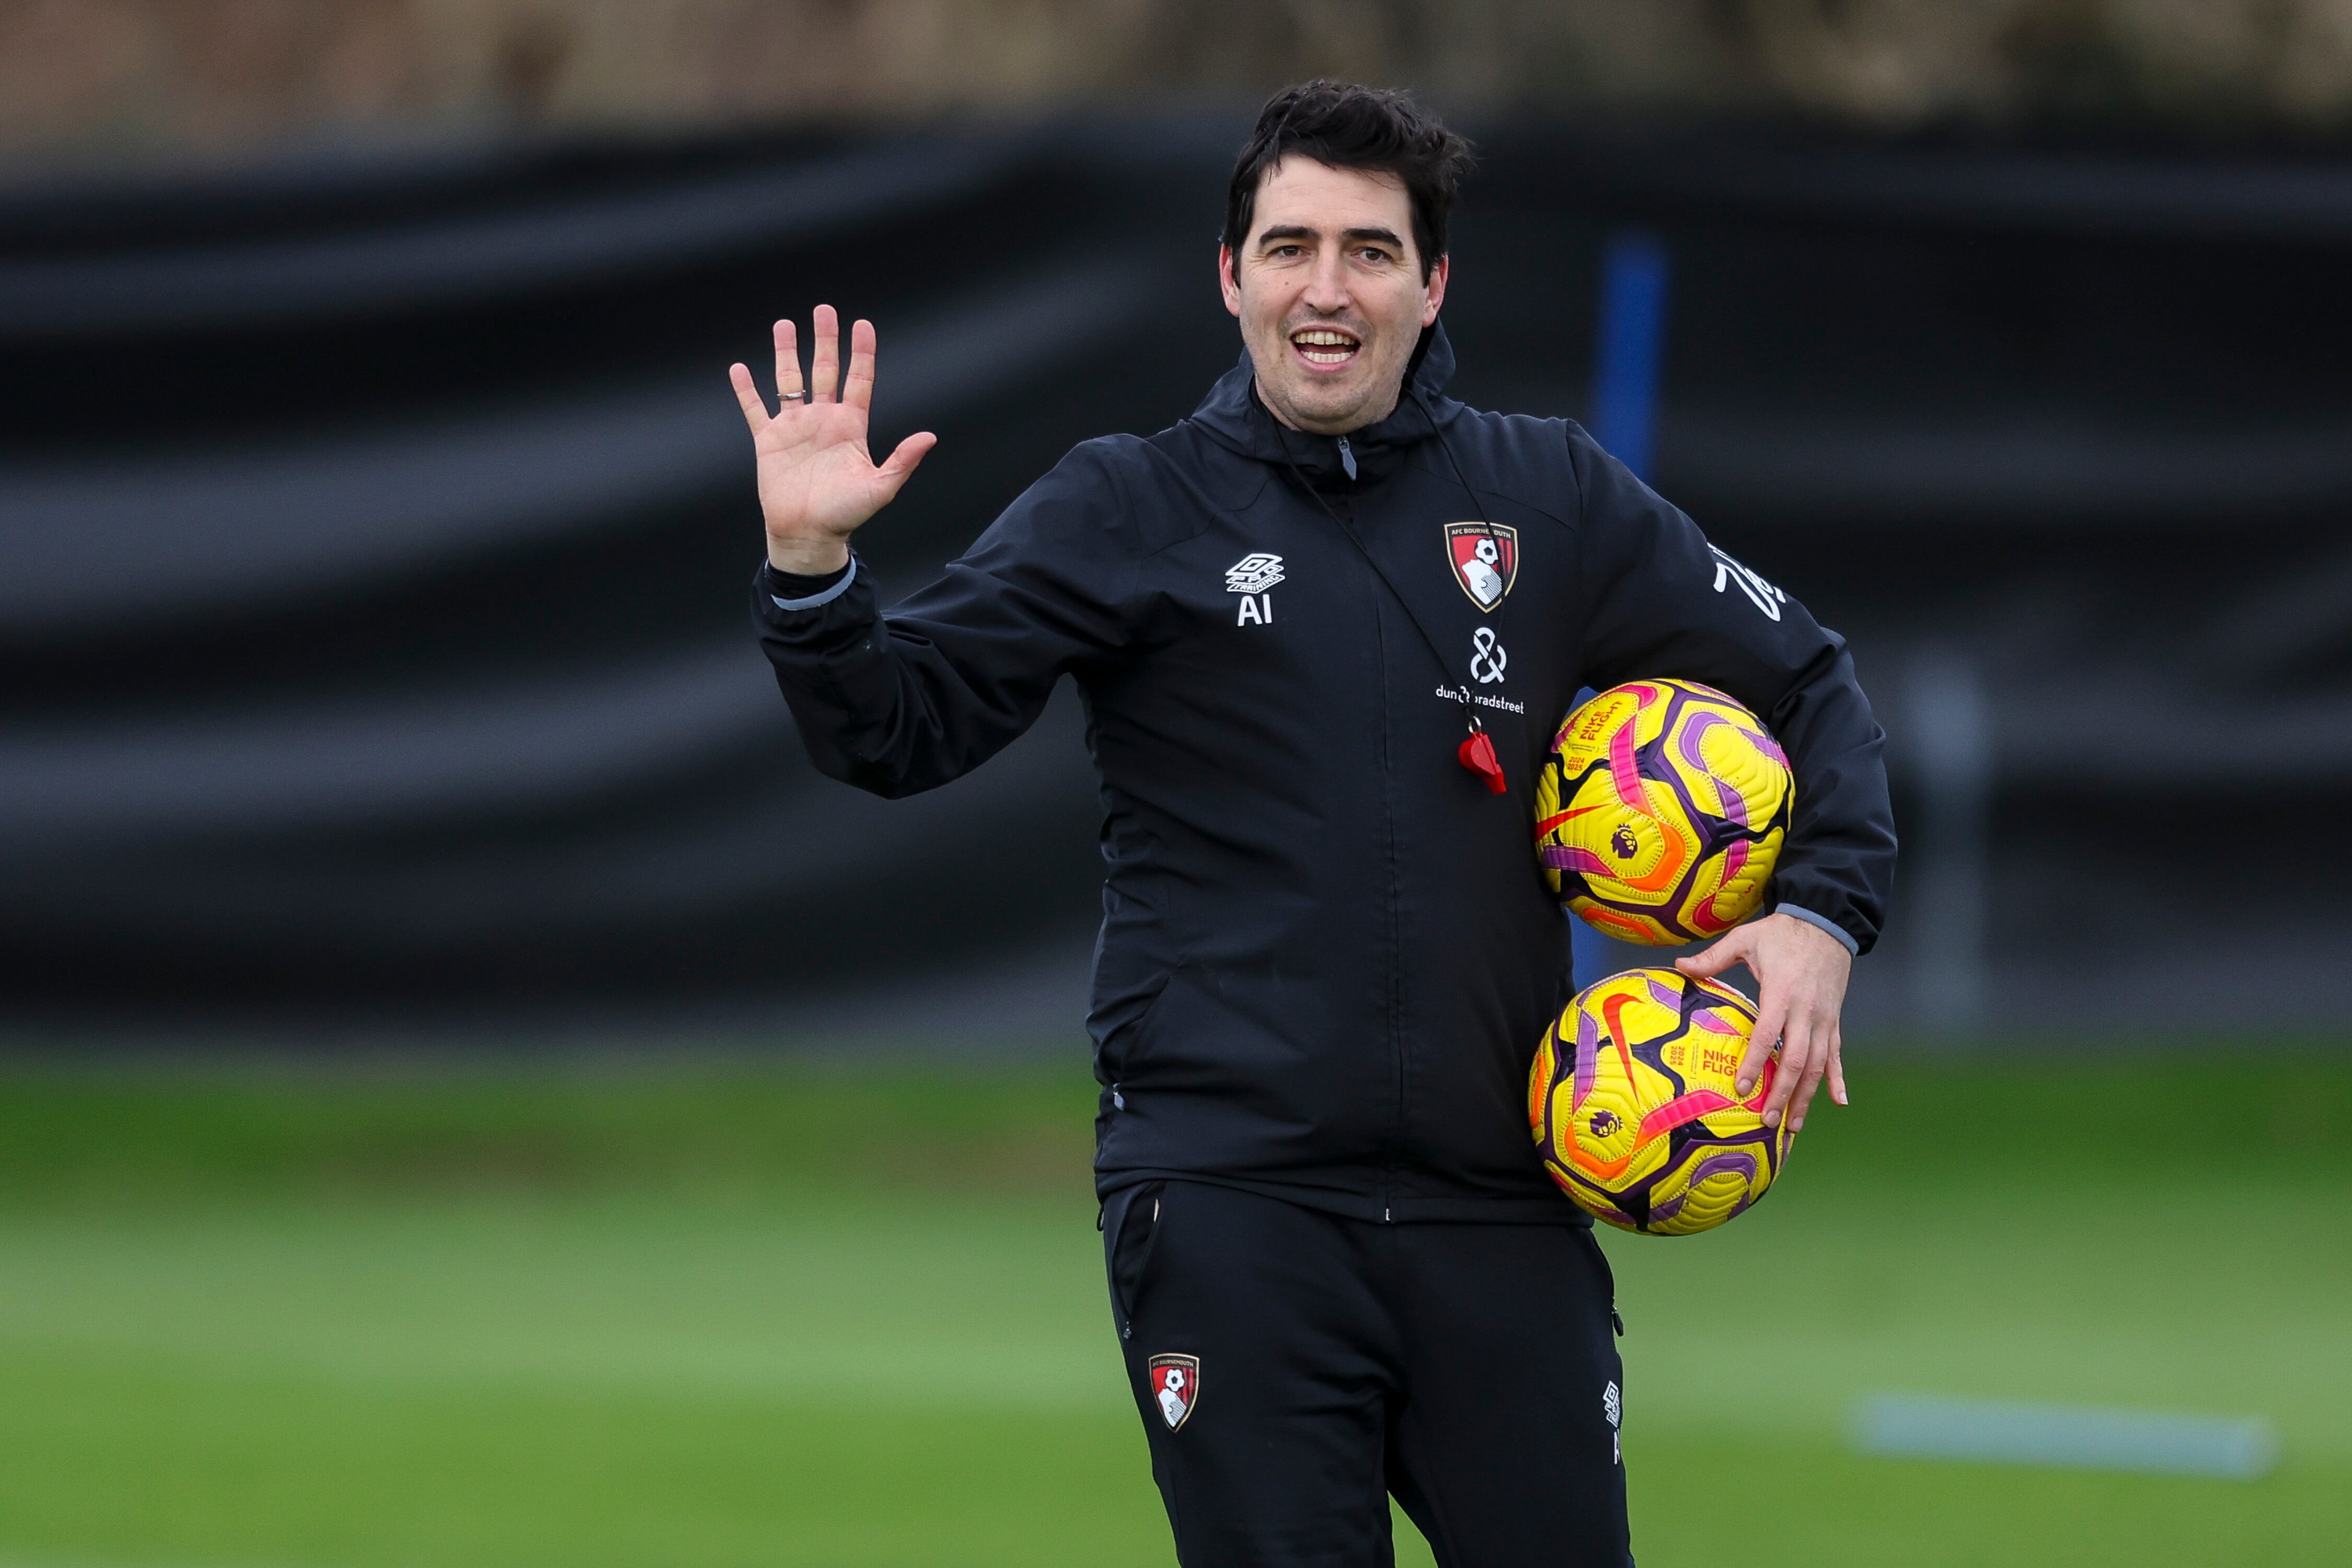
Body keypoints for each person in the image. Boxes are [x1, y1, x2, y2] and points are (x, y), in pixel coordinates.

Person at [737, 80, 1895, 1568]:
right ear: (1230, 280)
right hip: (1230, 1204)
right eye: (1287, 248)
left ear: (1431, 285)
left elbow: (1807, 679)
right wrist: (812, 572)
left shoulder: (1547, 493)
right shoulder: (1127, 503)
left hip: (1501, 1203)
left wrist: (1818, 915)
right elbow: (895, 733)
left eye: (1366, 249)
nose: (1324, 288)